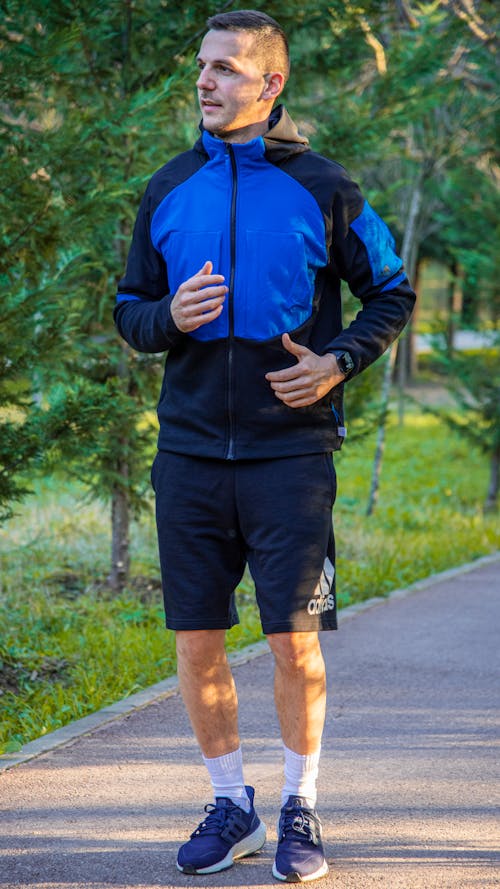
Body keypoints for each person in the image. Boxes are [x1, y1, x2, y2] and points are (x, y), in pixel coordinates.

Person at [114, 9, 415, 883]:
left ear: (270, 83)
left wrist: (337, 362)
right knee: (198, 642)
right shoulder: (170, 187)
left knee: (294, 642)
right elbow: (131, 308)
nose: (205, 82)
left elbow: (389, 292)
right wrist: (166, 318)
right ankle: (229, 801)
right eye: (202, 67)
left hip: (291, 457)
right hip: (192, 455)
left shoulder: (327, 187)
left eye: (227, 69)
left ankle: (299, 804)